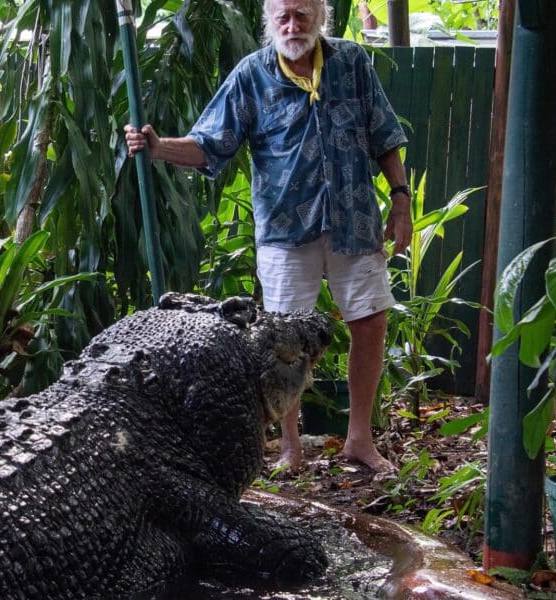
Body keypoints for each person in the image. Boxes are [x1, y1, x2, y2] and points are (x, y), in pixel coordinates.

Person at [124, 0, 411, 473]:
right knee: (283, 340)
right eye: (282, 16)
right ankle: (289, 447)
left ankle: (359, 439)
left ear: (321, 16)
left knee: (370, 321)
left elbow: (383, 134)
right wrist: (159, 148)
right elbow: (210, 143)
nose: (292, 25)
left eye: (301, 14)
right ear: (268, 21)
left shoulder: (352, 63)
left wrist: (400, 198)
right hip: (284, 230)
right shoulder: (250, 75)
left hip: (353, 221)